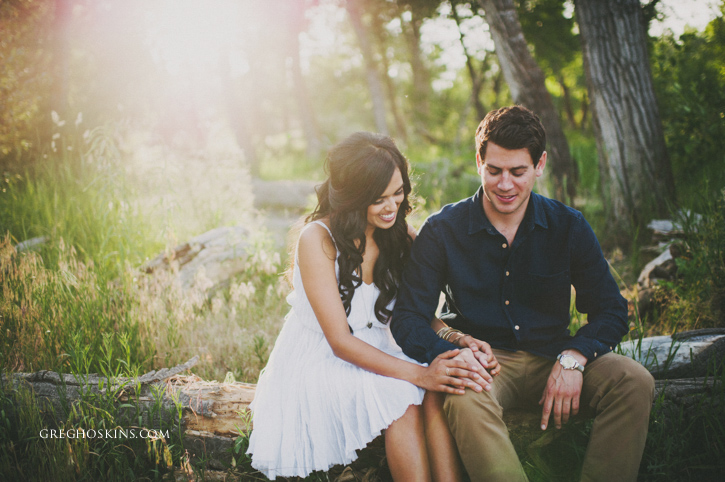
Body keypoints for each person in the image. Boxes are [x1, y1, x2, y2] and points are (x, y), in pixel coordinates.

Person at [391, 106, 655, 482]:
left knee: (634, 380)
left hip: (555, 352)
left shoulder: (569, 226)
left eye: (518, 172)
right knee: (464, 395)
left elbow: (612, 309)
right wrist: (451, 355)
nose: (505, 184)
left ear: (540, 164)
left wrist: (575, 357)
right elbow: (408, 317)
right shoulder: (442, 230)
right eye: (494, 170)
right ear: (478, 161)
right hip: (486, 362)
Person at [247, 132, 499, 481]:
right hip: (325, 357)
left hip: (386, 345)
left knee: (438, 393)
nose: (392, 207)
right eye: (378, 199)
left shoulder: (400, 233)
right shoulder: (317, 239)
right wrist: (421, 373)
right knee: (401, 395)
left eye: (398, 193)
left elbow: (415, 314)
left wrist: (455, 338)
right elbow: (340, 341)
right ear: (352, 197)